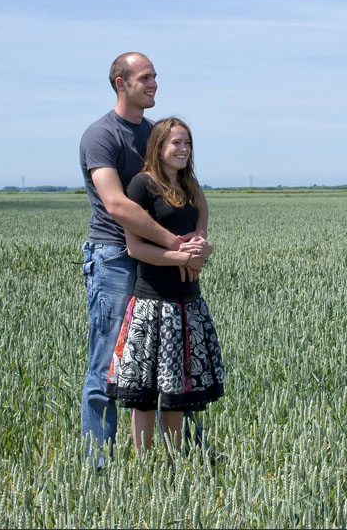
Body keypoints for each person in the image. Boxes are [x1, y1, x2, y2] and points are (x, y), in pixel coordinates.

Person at [78, 52, 209, 462]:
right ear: (121, 83)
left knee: (174, 359)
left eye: (155, 78)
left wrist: (194, 244)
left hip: (160, 258)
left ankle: (184, 453)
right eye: (146, 77)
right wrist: (176, 245)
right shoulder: (101, 135)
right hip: (115, 257)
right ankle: (99, 465)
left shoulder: (155, 132)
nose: (154, 84)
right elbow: (117, 205)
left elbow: (186, 191)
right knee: (112, 367)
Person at [107, 117, 225, 460]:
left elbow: (202, 230)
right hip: (153, 301)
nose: (183, 149)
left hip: (188, 302)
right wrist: (181, 258)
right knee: (142, 393)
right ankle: (145, 465)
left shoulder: (191, 186)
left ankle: (175, 462)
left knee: (178, 391)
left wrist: (203, 249)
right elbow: (136, 249)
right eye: (175, 143)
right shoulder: (141, 186)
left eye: (187, 143)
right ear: (158, 147)